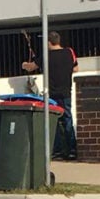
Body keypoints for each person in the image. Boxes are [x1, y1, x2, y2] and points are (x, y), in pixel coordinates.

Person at [22, 31, 79, 160]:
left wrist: (24, 65)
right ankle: (72, 150)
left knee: (54, 122)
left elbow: (31, 67)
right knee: (67, 120)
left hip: (52, 94)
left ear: (48, 42)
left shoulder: (46, 56)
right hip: (66, 92)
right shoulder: (69, 52)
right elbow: (76, 68)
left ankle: (57, 151)